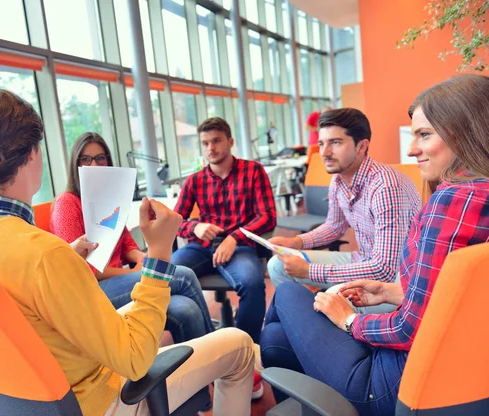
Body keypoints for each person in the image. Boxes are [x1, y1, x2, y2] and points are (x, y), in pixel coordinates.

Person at [0, 88, 255, 416]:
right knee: (239, 345)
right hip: (98, 399)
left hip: (33, 400)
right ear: (32, 153)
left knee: (180, 304)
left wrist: (70, 259)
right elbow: (135, 359)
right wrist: (159, 253)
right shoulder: (44, 254)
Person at [259, 74, 489, 416]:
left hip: (393, 382)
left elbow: (407, 327)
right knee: (276, 335)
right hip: (454, 366)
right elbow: (451, 294)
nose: (411, 150)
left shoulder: (445, 200)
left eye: (424, 135)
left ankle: (293, 388)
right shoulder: (474, 195)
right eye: (322, 143)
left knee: (289, 296)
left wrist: (349, 320)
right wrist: (387, 293)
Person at [51, 132, 215, 343]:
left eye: (101, 158)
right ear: (76, 165)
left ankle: (203, 372)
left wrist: (141, 258)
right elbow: (84, 270)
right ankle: (222, 353)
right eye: (86, 159)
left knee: (186, 310)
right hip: (91, 293)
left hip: (117, 281)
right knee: (183, 275)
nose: (95, 164)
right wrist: (139, 271)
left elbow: (126, 242)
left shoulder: (107, 199)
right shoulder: (67, 203)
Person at [268, 108, 421, 314]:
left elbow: (385, 269)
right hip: (364, 260)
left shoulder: (386, 187)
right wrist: (296, 242)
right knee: (277, 265)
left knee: (331, 300)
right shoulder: (339, 180)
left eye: (335, 143)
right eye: (322, 143)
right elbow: (335, 226)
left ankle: (315, 328)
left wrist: (310, 271)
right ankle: (300, 325)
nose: (324, 152)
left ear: (361, 146)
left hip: (397, 280)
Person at [171, 117, 277, 344]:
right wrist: (195, 226)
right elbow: (175, 221)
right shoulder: (194, 181)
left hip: (240, 247)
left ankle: (245, 347)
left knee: (252, 284)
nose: (211, 148)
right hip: (201, 247)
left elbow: (267, 217)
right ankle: (208, 341)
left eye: (217, 141)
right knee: (168, 275)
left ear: (230, 141)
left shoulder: (253, 171)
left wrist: (235, 237)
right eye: (206, 143)